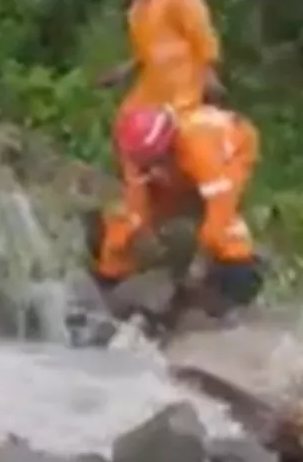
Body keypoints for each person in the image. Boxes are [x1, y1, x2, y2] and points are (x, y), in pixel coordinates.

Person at [91, 103, 264, 331]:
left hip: (232, 150)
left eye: (156, 162)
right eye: (145, 165)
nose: (150, 170)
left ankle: (234, 290)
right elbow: (135, 211)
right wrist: (109, 275)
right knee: (127, 224)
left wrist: (198, 265)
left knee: (221, 234)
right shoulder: (137, 155)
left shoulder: (201, 149)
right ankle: (111, 281)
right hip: (179, 162)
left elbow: (219, 209)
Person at [97, 0, 224, 119]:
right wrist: (124, 71)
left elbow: (201, 32)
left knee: (177, 136)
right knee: (128, 123)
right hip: (154, 87)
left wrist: (209, 75)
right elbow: (147, 51)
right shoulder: (139, 7)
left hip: (184, 86)